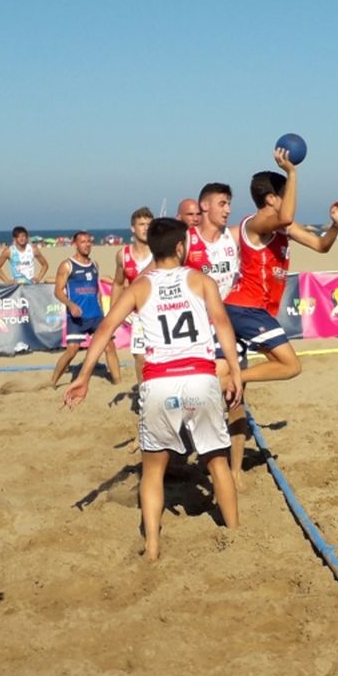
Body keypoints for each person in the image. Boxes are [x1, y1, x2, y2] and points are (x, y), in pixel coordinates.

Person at [62, 217, 242, 562]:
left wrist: (84, 376)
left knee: (153, 469)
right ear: (180, 247)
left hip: (159, 382)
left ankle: (153, 548)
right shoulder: (201, 281)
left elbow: (104, 331)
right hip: (200, 378)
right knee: (216, 461)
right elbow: (222, 324)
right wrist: (234, 370)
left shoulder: (140, 286)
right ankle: (235, 534)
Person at [226, 150, 338, 485]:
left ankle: (234, 471)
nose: (289, 203)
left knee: (236, 400)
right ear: (270, 199)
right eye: (284, 196)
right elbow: (284, 216)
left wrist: (335, 227)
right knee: (291, 366)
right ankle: (230, 379)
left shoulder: (284, 227)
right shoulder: (259, 222)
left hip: (251, 312)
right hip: (243, 309)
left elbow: (322, 247)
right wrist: (293, 173)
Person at [48, 231, 120, 387]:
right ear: (75, 244)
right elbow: (58, 291)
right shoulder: (67, 265)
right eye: (83, 242)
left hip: (95, 315)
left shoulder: (94, 264)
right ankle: (52, 382)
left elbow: (97, 289)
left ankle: (118, 382)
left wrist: (102, 309)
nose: (87, 244)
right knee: (72, 350)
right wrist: (71, 305)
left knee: (109, 346)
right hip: (77, 317)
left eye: (89, 241)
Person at [112, 207, 155, 383]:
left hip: (160, 309)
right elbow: (118, 283)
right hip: (139, 315)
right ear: (132, 228)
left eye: (149, 224)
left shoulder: (159, 250)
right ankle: (143, 392)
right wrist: (115, 312)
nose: (145, 228)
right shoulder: (123, 255)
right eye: (141, 224)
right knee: (139, 357)